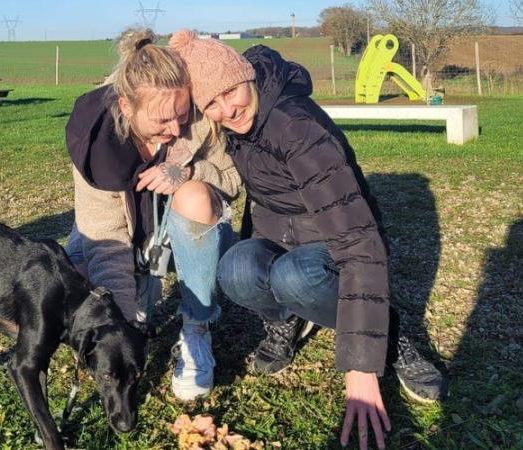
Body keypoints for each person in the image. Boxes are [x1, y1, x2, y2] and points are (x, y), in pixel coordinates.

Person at [169, 30, 446, 449]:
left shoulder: (296, 126)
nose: (228, 108)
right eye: (212, 102)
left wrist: (359, 369)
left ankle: (389, 333)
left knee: (293, 276)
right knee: (235, 268)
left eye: (230, 91)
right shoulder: (235, 127)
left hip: (334, 243)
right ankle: (285, 321)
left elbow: (359, 243)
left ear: (246, 75)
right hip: (281, 238)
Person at [64, 28, 241, 401]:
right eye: (162, 120)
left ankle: (196, 328)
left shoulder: (196, 120)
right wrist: (124, 322)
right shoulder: (95, 145)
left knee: (193, 196)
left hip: (189, 232)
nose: (175, 129)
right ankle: (138, 299)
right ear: (127, 107)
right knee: (68, 285)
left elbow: (232, 180)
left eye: (181, 114)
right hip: (119, 240)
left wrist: (187, 173)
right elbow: (107, 240)